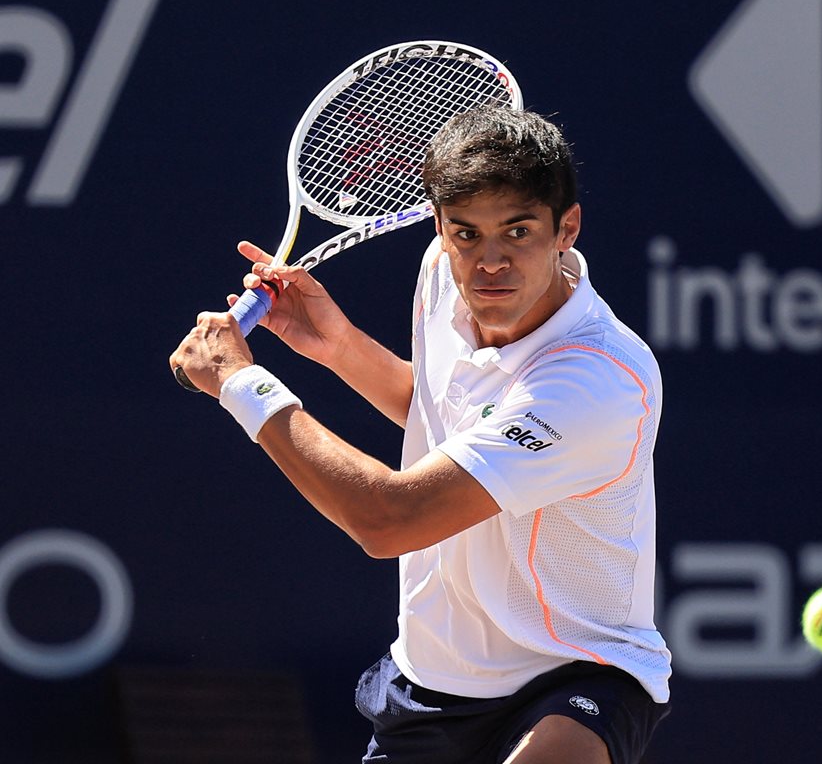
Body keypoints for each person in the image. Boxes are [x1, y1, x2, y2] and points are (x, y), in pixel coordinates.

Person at [169, 105, 671, 764]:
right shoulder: (440, 273)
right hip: (430, 681)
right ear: (439, 226)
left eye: (518, 231)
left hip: (577, 672)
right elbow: (445, 416)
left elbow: (389, 520)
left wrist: (242, 384)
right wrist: (338, 345)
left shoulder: (595, 381)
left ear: (566, 229)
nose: (490, 262)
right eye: (467, 233)